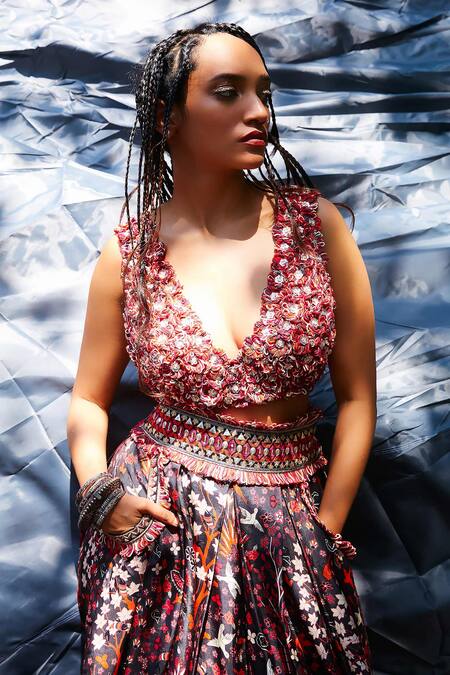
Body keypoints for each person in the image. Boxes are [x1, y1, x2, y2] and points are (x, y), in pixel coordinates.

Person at [67, 21, 376, 674]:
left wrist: (326, 528)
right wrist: (101, 494)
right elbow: (89, 400)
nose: (258, 111)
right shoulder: (129, 255)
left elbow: (357, 398)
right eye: (229, 91)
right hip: (159, 528)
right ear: (167, 118)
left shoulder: (317, 228)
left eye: (264, 92)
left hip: (293, 524)